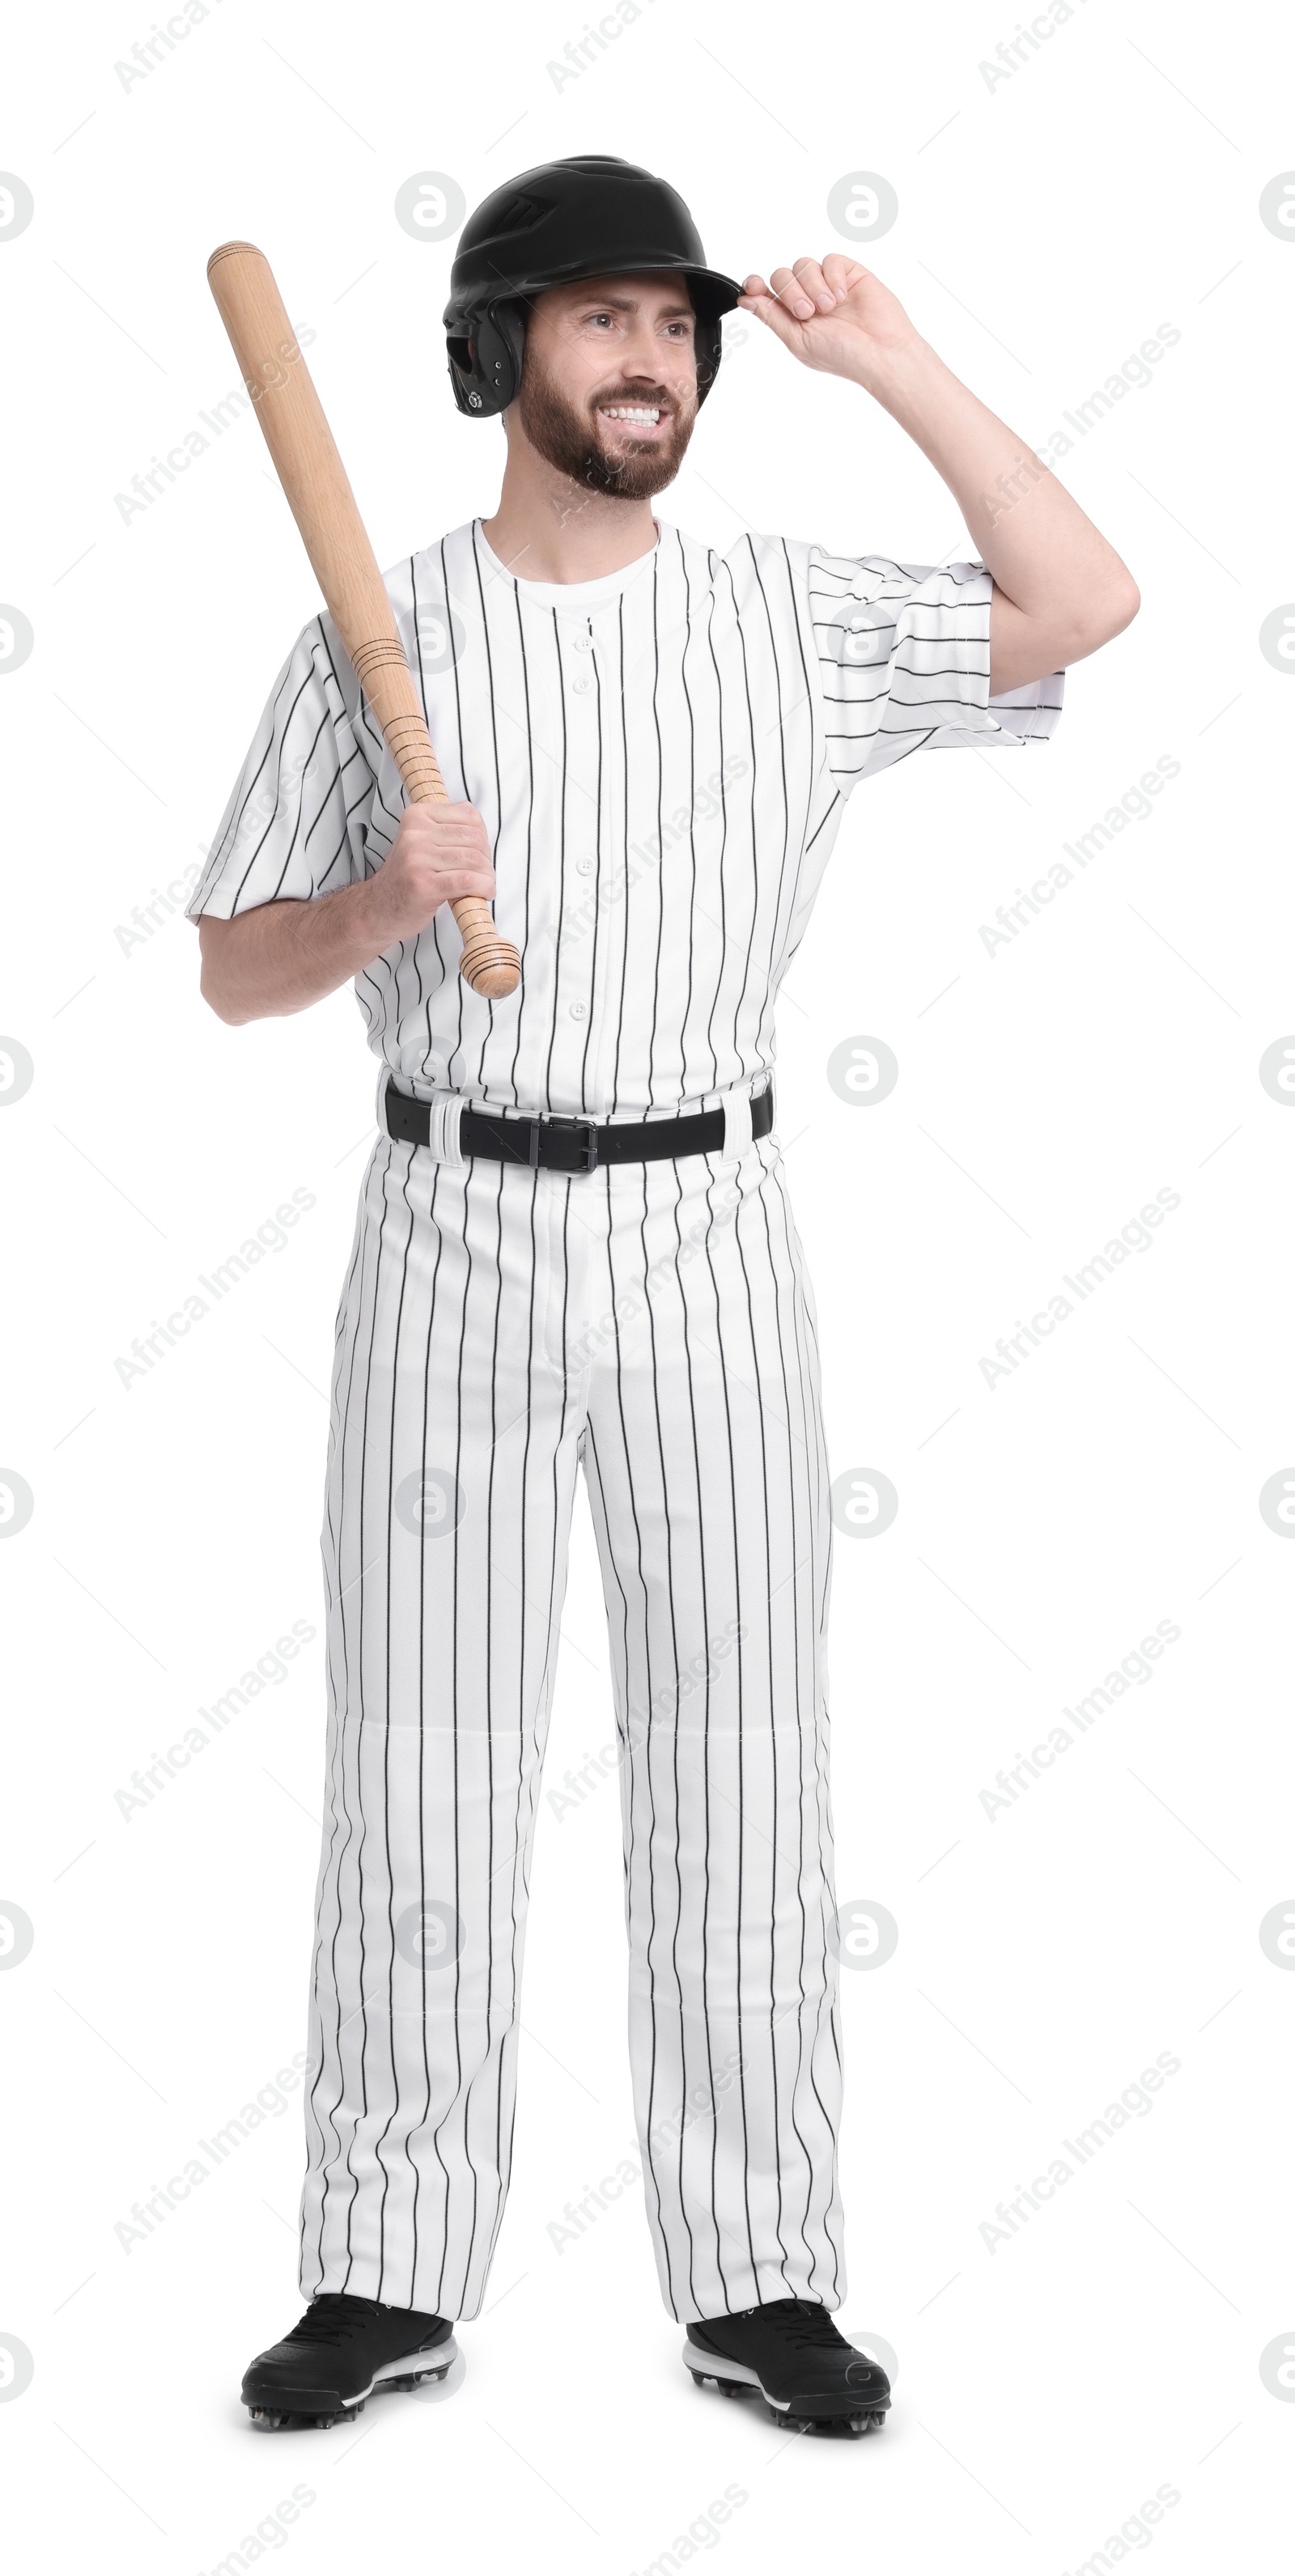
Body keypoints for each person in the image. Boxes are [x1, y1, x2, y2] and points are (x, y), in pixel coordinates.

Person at [190, 155, 1137, 2436]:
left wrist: (886, 357)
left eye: (679, 328)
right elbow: (234, 972)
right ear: (501, 347)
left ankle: (761, 2278)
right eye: (604, 319)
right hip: (444, 1233)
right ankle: (385, 2266)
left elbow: (1084, 597)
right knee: (424, 1761)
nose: (655, 360)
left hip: (713, 1236)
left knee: (736, 1765)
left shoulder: (784, 619)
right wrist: (380, 904)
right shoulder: (368, 637)